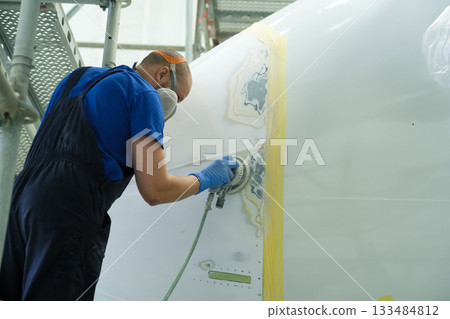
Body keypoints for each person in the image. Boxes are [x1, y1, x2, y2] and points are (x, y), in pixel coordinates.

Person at [0, 49, 237, 300]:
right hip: (69, 206)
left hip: (20, 198)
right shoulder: (146, 95)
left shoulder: (76, 77)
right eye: (177, 97)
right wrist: (204, 178)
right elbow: (155, 190)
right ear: (163, 73)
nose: (173, 107)